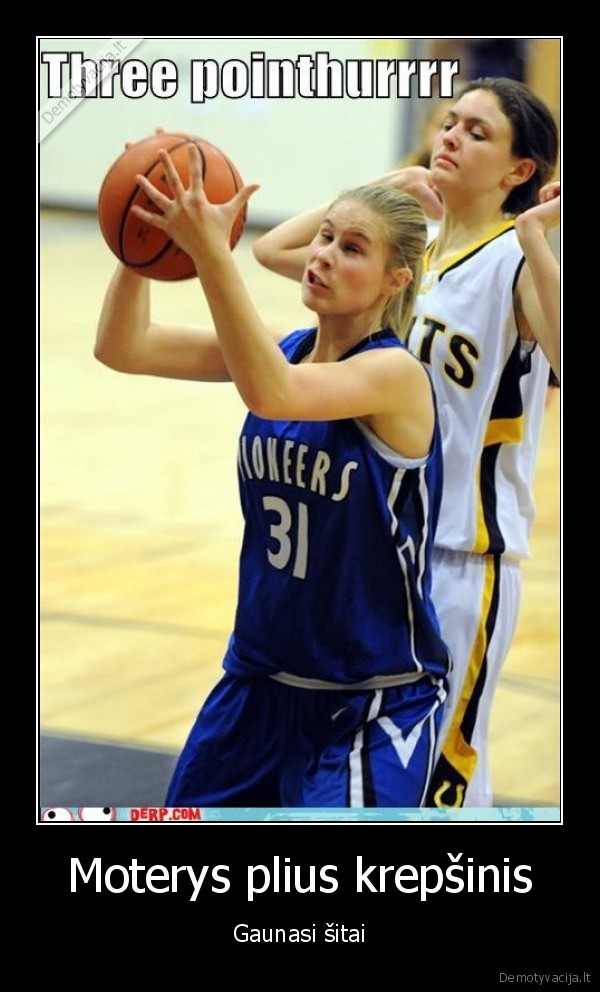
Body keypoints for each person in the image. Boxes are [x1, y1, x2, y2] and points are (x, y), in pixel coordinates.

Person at [94, 145, 452, 808]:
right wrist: (138, 245)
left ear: (395, 280)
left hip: (368, 702)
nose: (324, 255)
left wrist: (211, 253)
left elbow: (272, 393)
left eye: (352, 248)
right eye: (324, 237)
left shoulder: (394, 375)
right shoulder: (285, 349)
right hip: (257, 685)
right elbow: (125, 346)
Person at [252, 76, 560, 807]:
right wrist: (383, 188)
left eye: (477, 133)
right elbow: (272, 249)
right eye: (450, 122)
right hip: (385, 553)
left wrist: (535, 237)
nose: (451, 137)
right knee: (387, 780)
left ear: (519, 171)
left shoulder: (517, 264)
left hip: (462, 557)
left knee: (443, 779)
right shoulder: (409, 256)